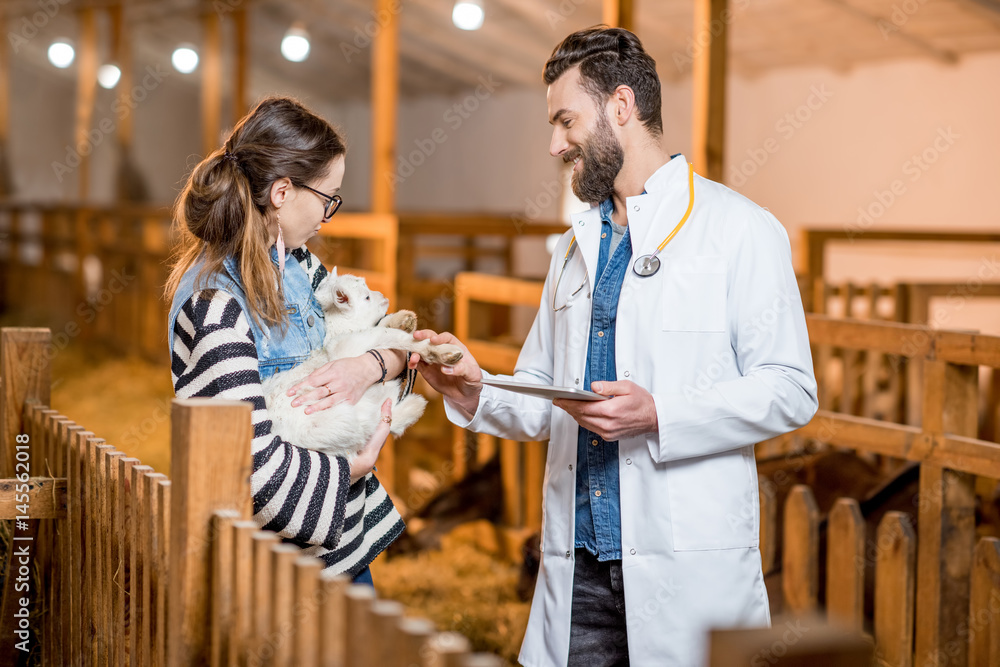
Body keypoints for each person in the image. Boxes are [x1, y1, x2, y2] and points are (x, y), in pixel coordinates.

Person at [413, 27, 818, 666]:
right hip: (578, 578)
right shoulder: (574, 247)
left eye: (565, 120)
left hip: (686, 577)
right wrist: (474, 387)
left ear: (621, 107)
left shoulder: (740, 230)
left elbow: (791, 389)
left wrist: (660, 413)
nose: (555, 143)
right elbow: (548, 395)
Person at [165, 96, 413, 584]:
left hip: (342, 544)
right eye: (328, 198)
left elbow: (399, 346)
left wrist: (372, 365)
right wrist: (354, 468)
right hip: (278, 566)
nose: (327, 216)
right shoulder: (215, 303)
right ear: (281, 192)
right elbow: (250, 467)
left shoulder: (299, 266)